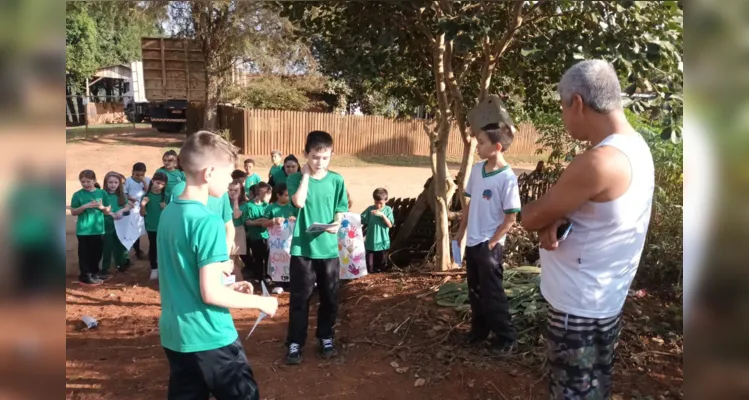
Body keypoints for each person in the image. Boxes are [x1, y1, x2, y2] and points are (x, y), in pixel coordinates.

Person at [521, 60, 655, 400]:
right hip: (604, 303)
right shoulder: (637, 148)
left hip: (576, 314)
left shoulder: (597, 162)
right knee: (594, 388)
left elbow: (530, 217)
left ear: (577, 103)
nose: (565, 117)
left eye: (563, 107)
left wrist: (544, 218)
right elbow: (605, 216)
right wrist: (559, 218)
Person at [157, 130, 278, 400]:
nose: (231, 182)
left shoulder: (170, 213)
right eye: (228, 175)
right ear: (209, 172)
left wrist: (230, 286)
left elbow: (184, 271)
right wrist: (262, 303)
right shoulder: (206, 221)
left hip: (176, 336)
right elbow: (210, 293)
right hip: (210, 335)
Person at [454, 122, 520, 354]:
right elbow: (470, 205)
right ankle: (479, 331)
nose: (478, 147)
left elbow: (511, 218)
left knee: (493, 293)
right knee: (475, 290)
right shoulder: (477, 170)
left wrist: (492, 242)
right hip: (473, 242)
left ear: (498, 146)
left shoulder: (508, 179)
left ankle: (506, 337)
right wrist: (461, 233)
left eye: (482, 143)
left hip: (489, 246)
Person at [284, 130, 348, 365]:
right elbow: (299, 202)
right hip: (303, 250)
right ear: (306, 155)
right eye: (314, 157)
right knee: (300, 298)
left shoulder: (337, 180)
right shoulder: (294, 180)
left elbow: (340, 208)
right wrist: (305, 176)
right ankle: (294, 343)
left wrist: (337, 222)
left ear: (331, 155)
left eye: (325, 157)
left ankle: (326, 337)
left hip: (328, 249)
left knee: (330, 297)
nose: (319, 162)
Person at [70, 170, 111, 285]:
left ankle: (94, 273)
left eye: (88, 181)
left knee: (97, 253)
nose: (86, 184)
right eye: (83, 182)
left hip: (99, 229)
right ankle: (85, 275)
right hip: (84, 230)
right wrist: (84, 206)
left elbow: (108, 210)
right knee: (85, 254)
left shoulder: (102, 193)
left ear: (95, 181)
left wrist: (101, 207)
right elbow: (73, 212)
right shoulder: (77, 195)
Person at [263, 183, 298, 294]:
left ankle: (292, 282)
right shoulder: (271, 208)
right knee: (277, 260)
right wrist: (273, 221)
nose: (288, 197)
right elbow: (263, 223)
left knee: (291, 259)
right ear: (278, 195)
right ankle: (279, 283)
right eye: (286, 195)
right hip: (276, 243)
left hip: (290, 241)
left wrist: (295, 219)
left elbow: (300, 220)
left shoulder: (293, 207)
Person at [102, 172, 132, 277]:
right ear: (106, 183)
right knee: (107, 247)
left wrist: (122, 210)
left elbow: (127, 207)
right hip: (107, 225)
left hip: (120, 226)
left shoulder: (121, 195)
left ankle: (120, 265)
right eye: (110, 182)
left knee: (120, 246)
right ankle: (104, 268)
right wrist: (110, 213)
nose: (113, 185)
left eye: (116, 182)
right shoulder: (102, 194)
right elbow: (100, 208)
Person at [140, 172, 168, 281]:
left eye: (162, 184)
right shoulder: (146, 196)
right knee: (153, 247)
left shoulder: (165, 196)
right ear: (152, 181)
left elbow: (171, 213)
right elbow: (142, 214)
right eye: (157, 182)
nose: (159, 186)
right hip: (151, 226)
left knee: (164, 247)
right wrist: (143, 206)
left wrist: (166, 208)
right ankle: (154, 269)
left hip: (164, 226)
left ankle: (163, 268)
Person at [361, 188, 394, 274]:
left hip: (382, 243)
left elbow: (390, 224)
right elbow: (361, 219)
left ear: (386, 200)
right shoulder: (370, 209)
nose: (378, 206)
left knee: (381, 266)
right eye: (376, 202)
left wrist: (382, 215)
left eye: (381, 203)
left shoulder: (387, 210)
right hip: (370, 242)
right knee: (369, 267)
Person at [244, 182, 271, 282]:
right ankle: (258, 276)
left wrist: (255, 222)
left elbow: (266, 221)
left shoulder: (267, 205)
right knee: (257, 257)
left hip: (267, 235)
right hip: (255, 236)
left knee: (268, 257)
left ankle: (268, 276)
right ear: (258, 192)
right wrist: (261, 222)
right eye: (264, 193)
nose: (266, 195)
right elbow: (247, 222)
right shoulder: (249, 206)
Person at [124, 162, 150, 259]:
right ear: (132, 172)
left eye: (142, 175)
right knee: (135, 230)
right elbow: (124, 193)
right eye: (137, 175)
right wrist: (130, 198)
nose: (139, 177)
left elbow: (150, 192)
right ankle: (137, 250)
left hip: (146, 207)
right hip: (133, 208)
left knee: (148, 228)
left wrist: (144, 183)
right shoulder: (128, 180)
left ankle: (151, 251)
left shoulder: (147, 180)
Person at [228, 180, 248, 279]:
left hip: (237, 231)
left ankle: (238, 282)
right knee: (232, 260)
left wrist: (235, 200)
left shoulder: (244, 205)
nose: (232, 192)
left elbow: (236, 215)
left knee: (233, 259)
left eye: (236, 190)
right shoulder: (225, 202)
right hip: (226, 231)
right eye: (230, 190)